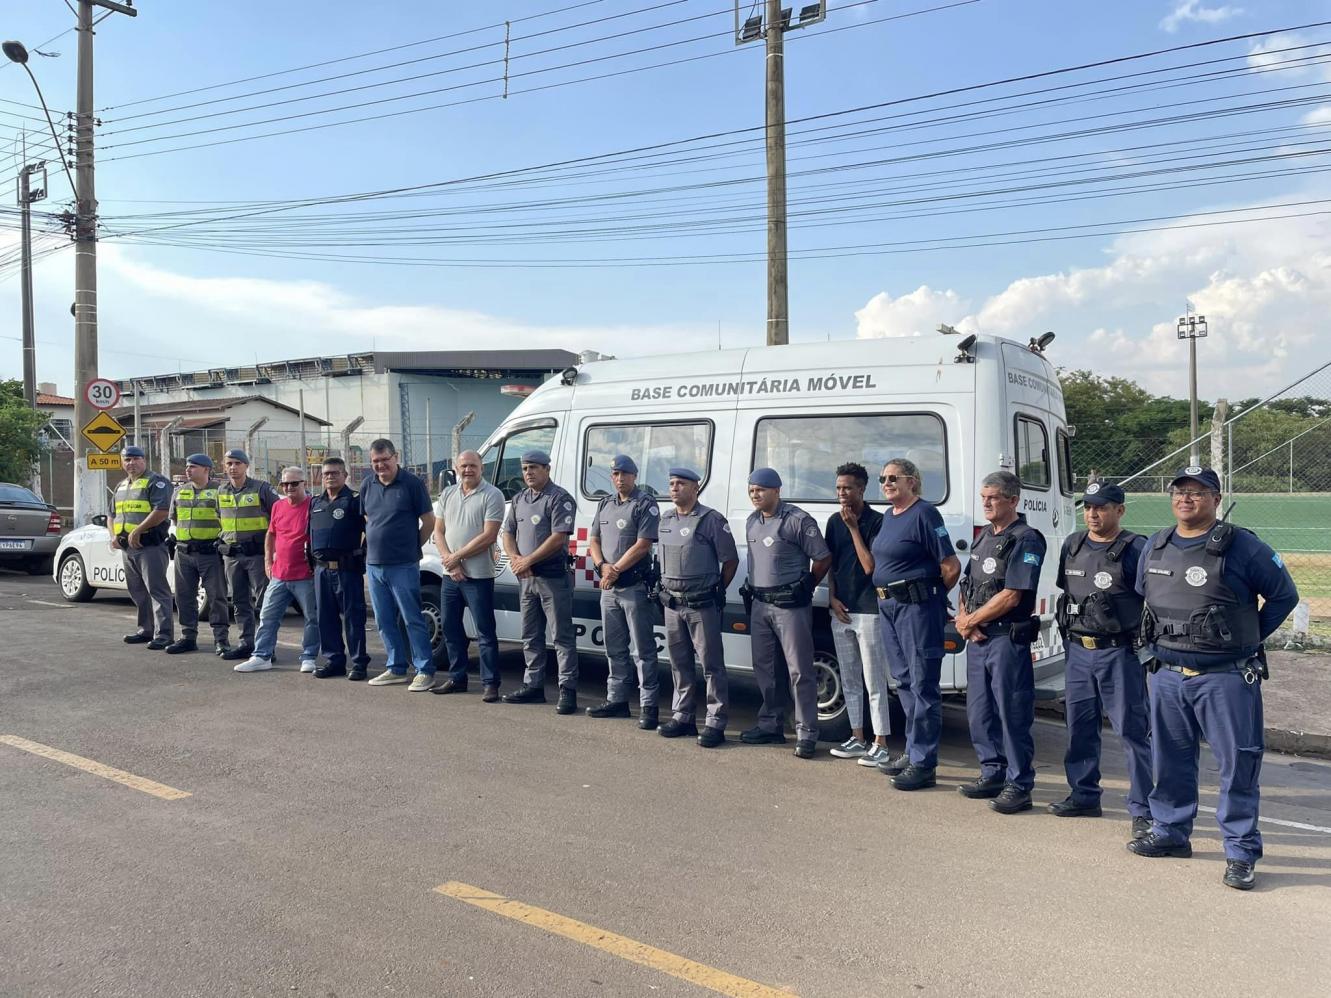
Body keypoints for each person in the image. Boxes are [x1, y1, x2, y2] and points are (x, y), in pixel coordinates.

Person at [1129, 466, 1298, 891]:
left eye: (1198, 492)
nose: (1187, 498)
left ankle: (1240, 853)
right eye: (1179, 491)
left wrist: (1249, 636)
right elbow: (1143, 597)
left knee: (1238, 764)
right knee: (1170, 760)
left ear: (1216, 499)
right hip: (1167, 675)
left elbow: (1284, 595)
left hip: (1224, 676)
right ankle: (1170, 831)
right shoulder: (1156, 544)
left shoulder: (1243, 546)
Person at [1050, 482, 1152, 838]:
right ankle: (1083, 794)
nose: (1093, 514)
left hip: (1118, 653)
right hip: (1079, 651)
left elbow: (1152, 598)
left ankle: (1144, 809)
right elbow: (1068, 592)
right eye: (1088, 507)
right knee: (1079, 727)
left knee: (1132, 732)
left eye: (1102, 507)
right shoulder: (1073, 545)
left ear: (1120, 510)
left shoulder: (1136, 548)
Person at [954, 470, 1047, 814]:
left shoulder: (1027, 539)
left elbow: (1011, 595)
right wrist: (966, 621)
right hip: (978, 639)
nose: (987, 503)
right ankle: (992, 772)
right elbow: (967, 584)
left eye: (993, 497)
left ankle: (1019, 784)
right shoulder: (983, 537)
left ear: (1012, 500)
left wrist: (971, 621)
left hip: (1006, 637)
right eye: (983, 498)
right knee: (979, 712)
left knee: (1012, 713)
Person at [870, 459, 961, 791]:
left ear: (912, 481)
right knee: (905, 681)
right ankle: (912, 751)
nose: (886, 483)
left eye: (893, 478)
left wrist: (928, 596)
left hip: (916, 608)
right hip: (889, 607)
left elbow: (950, 565)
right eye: (883, 478)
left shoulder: (925, 514)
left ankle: (924, 764)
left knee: (923, 683)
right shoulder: (888, 517)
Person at [739, 468, 832, 760]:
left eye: (761, 489)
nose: (756, 494)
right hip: (760, 605)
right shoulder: (752, 521)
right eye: (752, 489)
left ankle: (806, 733)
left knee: (799, 670)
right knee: (765, 668)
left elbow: (823, 557)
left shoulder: (797, 520)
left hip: (789, 607)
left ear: (777, 491)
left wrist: (807, 586)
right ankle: (770, 724)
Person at [656, 467, 738, 748]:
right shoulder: (665, 519)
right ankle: (683, 716)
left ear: (696, 488)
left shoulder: (711, 520)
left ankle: (715, 721)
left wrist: (716, 591)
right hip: (672, 603)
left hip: (701, 604)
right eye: (671, 483)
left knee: (711, 665)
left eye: (681, 483)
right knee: (679, 664)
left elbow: (730, 561)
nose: (674, 488)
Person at [821, 462, 890, 766]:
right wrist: (832, 598)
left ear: (862, 489)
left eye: (847, 488)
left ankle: (881, 742)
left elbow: (870, 566)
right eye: (838, 488)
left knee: (873, 680)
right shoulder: (834, 521)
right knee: (849, 679)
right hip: (843, 610)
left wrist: (853, 529)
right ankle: (857, 737)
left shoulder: (878, 521)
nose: (842, 494)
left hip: (870, 609)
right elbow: (832, 564)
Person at [501, 450, 580, 713]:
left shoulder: (559, 498)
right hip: (526, 578)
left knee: (562, 637)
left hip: (552, 577)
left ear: (547, 469)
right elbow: (508, 532)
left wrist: (529, 560)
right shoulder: (520, 499)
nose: (528, 473)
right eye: (524, 468)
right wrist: (515, 558)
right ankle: (533, 686)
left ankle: (567, 690)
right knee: (530, 635)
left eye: (534, 467)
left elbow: (558, 537)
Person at [586, 454, 661, 729]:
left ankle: (649, 705)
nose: (619, 479)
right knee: (614, 648)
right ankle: (617, 700)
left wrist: (614, 568)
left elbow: (643, 544)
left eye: (624, 474)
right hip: (609, 587)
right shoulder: (605, 504)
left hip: (634, 586)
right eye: (615, 474)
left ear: (634, 476)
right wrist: (602, 565)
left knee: (643, 649)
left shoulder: (645, 504)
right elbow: (593, 539)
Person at [359, 439, 437, 691]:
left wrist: (412, 548)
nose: (381, 465)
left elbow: (428, 521)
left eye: (385, 460)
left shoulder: (412, 484)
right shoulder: (367, 485)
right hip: (375, 565)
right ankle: (396, 668)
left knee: (411, 618)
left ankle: (425, 670)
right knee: (383, 620)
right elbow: (368, 518)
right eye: (375, 461)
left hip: (403, 564)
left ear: (396, 458)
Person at [430, 450, 505, 701]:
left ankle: (490, 683)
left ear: (481, 467)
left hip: (479, 576)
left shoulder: (492, 495)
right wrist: (451, 563)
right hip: (450, 575)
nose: (468, 470)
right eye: (463, 466)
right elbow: (438, 531)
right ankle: (457, 678)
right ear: (456, 468)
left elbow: (489, 536)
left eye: (473, 465)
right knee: (451, 628)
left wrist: (457, 557)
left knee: (485, 631)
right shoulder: (448, 493)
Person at [235, 467, 320, 673]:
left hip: (305, 574)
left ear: (304, 484)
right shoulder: (278, 506)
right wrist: (267, 561)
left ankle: (309, 656)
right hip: (279, 574)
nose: (289, 487)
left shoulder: (314, 506)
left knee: (312, 618)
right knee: (267, 616)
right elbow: (271, 534)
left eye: (294, 483)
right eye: (285, 484)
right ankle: (262, 655)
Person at [309, 457, 370, 680]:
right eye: (326, 473)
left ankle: (359, 663)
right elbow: (310, 537)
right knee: (326, 617)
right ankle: (334, 660)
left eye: (335, 473)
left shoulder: (355, 500)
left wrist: (361, 558)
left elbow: (370, 532)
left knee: (354, 618)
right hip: (322, 571)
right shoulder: (316, 503)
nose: (330, 477)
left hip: (348, 569)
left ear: (345, 475)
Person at [109, 444, 174, 650]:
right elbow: (111, 514)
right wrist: (112, 535)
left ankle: (164, 634)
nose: (132, 463)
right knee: (137, 590)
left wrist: (138, 530)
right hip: (127, 548)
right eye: (127, 459)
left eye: (136, 459)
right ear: (122, 462)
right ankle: (145, 630)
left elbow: (162, 510)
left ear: (144, 460)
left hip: (149, 545)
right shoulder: (121, 486)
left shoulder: (157, 482)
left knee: (157, 590)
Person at [165, 453, 231, 657]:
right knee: (184, 597)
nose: (188, 470)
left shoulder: (219, 492)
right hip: (184, 552)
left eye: (193, 466)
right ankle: (188, 637)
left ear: (206, 470)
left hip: (210, 553)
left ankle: (221, 640)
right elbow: (174, 520)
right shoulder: (179, 492)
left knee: (216, 598)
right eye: (187, 466)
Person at [217, 449, 279, 662]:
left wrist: (274, 552)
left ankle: (266, 648)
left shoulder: (261, 488)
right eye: (229, 464)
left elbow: (277, 517)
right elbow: (220, 519)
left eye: (237, 463)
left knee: (264, 603)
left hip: (257, 555)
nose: (232, 467)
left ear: (246, 466)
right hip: (232, 556)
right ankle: (246, 643)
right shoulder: (221, 491)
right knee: (240, 602)